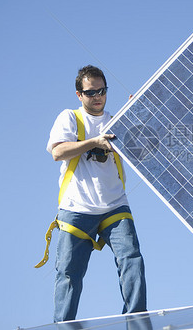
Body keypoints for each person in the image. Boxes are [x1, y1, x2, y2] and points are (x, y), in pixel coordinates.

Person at [46, 65, 147, 321]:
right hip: (76, 209)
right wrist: (94, 142)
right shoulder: (70, 118)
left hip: (115, 205)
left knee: (131, 259)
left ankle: (136, 321)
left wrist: (140, 116)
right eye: (91, 92)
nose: (98, 96)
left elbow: (147, 149)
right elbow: (58, 152)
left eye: (102, 90)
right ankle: (64, 325)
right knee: (69, 274)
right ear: (79, 95)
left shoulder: (118, 120)